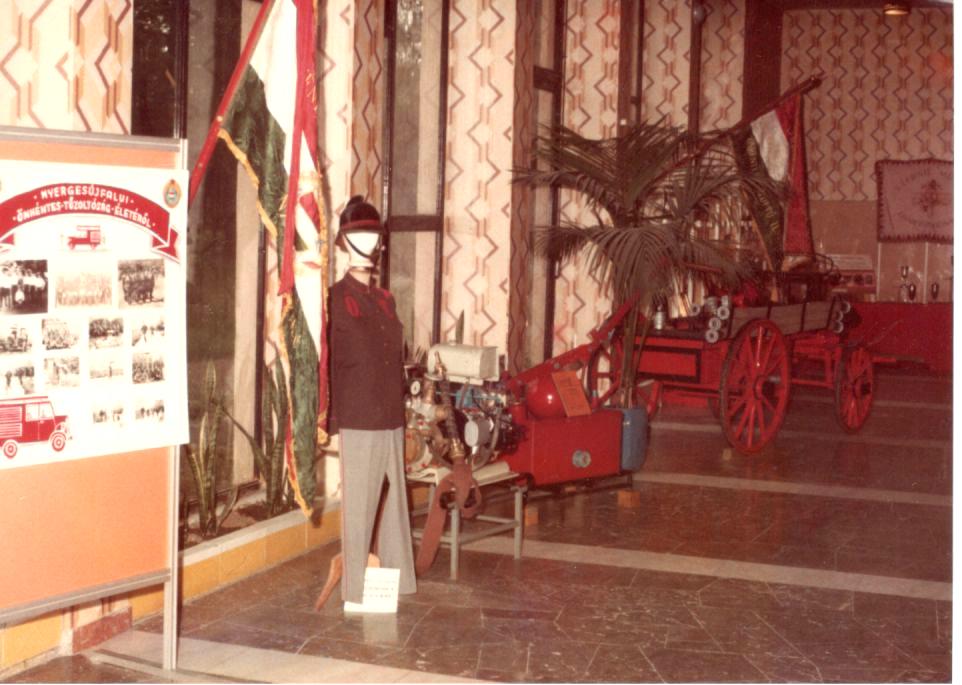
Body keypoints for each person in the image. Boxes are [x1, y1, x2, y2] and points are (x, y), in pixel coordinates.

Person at [326, 195, 416, 611]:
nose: (368, 243)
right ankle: (357, 592)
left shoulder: (385, 300)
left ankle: (397, 584)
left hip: (390, 413)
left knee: (396, 504)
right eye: (358, 235)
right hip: (358, 416)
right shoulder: (333, 300)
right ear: (343, 242)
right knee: (359, 507)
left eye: (373, 235)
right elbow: (328, 365)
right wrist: (330, 423)